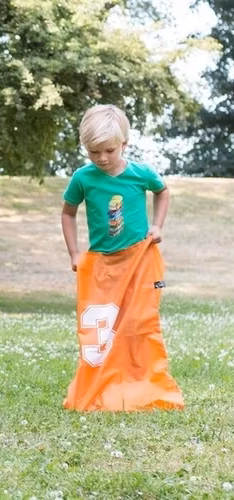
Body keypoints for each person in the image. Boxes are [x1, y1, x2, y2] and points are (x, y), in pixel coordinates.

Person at [60, 104, 184, 412]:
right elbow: (68, 212)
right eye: (94, 152)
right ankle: (106, 381)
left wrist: (157, 226)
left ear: (124, 144)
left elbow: (163, 191)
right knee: (102, 328)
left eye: (109, 150)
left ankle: (140, 379)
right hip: (102, 264)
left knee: (140, 322)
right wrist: (74, 253)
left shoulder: (140, 174)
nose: (102, 158)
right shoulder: (83, 178)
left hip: (139, 262)